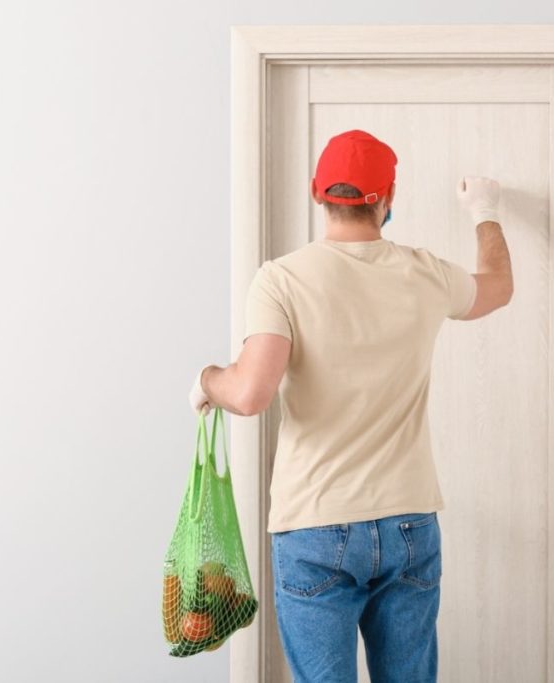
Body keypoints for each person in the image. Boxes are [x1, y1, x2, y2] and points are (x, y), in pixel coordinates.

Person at [188, 129, 513, 682]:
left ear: (319, 193)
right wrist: (485, 211)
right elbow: (498, 287)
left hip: (315, 522)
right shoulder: (425, 273)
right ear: (387, 199)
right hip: (409, 521)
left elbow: (248, 393)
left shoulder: (282, 280)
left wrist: (208, 381)